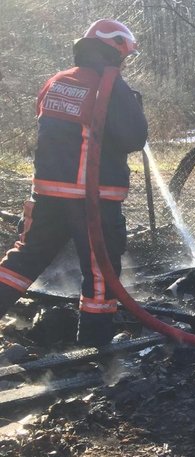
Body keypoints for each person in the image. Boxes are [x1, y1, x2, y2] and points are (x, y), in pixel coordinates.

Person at [0, 19, 148, 345]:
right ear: (116, 49)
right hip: (91, 198)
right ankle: (93, 348)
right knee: (100, 273)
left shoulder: (56, 82)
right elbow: (134, 136)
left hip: (47, 194)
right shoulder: (108, 84)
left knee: (24, 259)